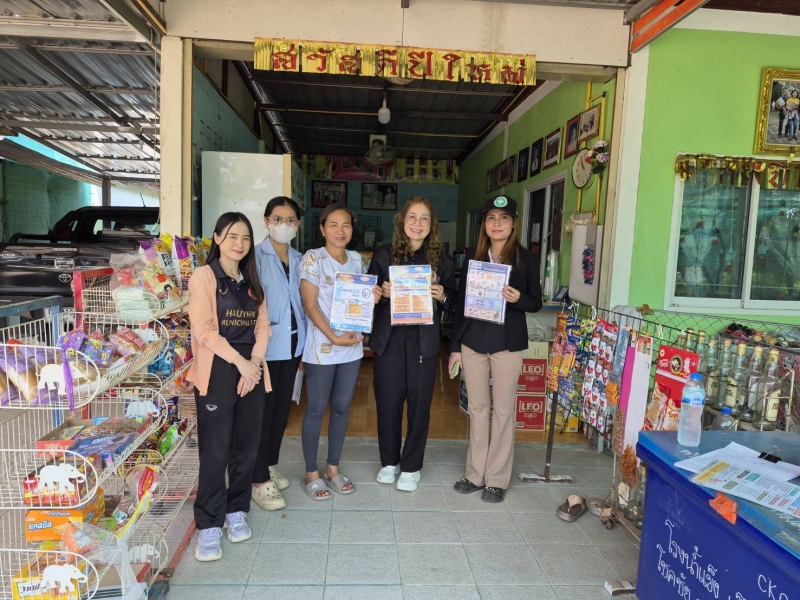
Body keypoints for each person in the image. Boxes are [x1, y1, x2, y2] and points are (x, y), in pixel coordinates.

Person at [187, 212, 272, 561]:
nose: (240, 243)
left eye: (246, 238)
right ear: (218, 237)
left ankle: (237, 510)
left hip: (252, 371)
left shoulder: (252, 280)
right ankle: (209, 524)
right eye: (233, 236)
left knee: (246, 448)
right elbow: (204, 331)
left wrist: (255, 365)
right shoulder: (204, 277)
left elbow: (263, 327)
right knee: (216, 450)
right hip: (219, 371)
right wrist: (241, 363)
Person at [448, 195, 542, 503]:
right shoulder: (474, 259)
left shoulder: (526, 259)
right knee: (477, 408)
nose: (497, 223)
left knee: (503, 410)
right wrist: (455, 347)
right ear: (484, 224)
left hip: (507, 344)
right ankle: (475, 473)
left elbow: (536, 302)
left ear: (514, 223)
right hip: (473, 342)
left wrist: (518, 299)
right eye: (491, 218)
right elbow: (461, 306)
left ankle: (497, 478)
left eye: (503, 218)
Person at [368, 197, 456, 492]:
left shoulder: (441, 259)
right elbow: (367, 295)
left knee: (419, 405)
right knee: (388, 402)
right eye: (412, 217)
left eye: (424, 218)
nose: (417, 224)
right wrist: (380, 292)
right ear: (401, 221)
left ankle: (411, 466)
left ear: (432, 224)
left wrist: (442, 295)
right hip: (389, 340)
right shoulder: (384, 254)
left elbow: (453, 300)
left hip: (423, 341)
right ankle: (389, 462)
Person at [299, 202, 381, 500]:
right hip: (322, 347)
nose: (340, 230)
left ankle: (332, 468)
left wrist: (373, 295)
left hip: (351, 348)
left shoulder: (358, 260)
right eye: (333, 224)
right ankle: (311, 473)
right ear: (322, 229)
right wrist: (333, 337)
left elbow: (362, 301)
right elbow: (310, 306)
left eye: (346, 224)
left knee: (343, 408)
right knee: (317, 408)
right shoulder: (313, 258)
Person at [252, 196, 306, 511]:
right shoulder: (254, 257)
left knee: (280, 413)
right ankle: (258, 480)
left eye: (290, 220)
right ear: (266, 221)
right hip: (265, 349)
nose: (283, 225)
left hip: (293, 347)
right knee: (261, 414)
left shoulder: (301, 259)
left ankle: (269, 464)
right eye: (277, 219)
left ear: (297, 225)